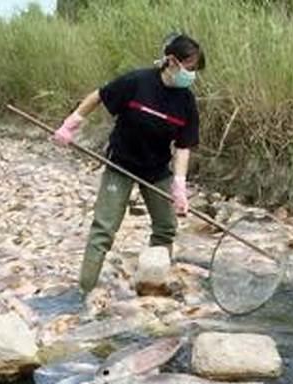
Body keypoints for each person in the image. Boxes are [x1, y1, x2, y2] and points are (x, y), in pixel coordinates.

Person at [52, 33, 205, 296]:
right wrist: (71, 124)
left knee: (166, 227)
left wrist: (179, 185)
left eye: (194, 70)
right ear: (171, 61)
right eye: (188, 68)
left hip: (156, 169)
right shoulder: (137, 82)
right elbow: (99, 95)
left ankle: (154, 286)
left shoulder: (186, 101)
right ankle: (84, 291)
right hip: (121, 164)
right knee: (104, 228)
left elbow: (183, 146)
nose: (191, 75)